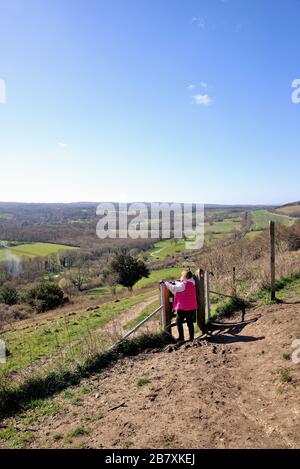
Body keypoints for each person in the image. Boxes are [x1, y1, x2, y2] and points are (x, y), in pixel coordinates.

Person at [162, 270, 198, 343]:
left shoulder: (183, 285)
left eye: (182, 275)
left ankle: (181, 338)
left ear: (185, 277)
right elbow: (182, 285)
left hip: (183, 308)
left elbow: (174, 288)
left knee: (178, 322)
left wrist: (166, 283)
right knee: (189, 322)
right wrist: (178, 282)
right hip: (191, 307)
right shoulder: (192, 283)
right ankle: (192, 338)